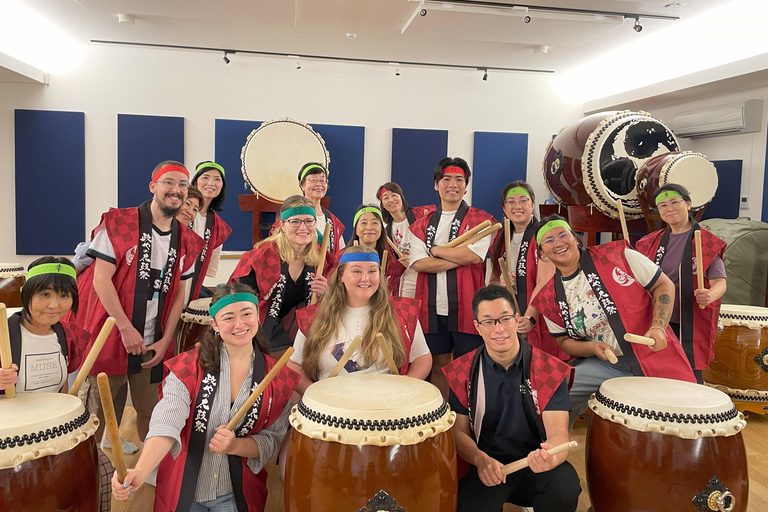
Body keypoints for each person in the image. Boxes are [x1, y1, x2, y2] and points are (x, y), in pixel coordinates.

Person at [111, 283, 300, 512]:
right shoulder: (188, 367)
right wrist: (140, 471)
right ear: (215, 324)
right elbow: (166, 421)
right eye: (228, 317)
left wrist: (235, 445)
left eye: (247, 314)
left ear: (258, 316)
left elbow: (271, 442)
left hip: (236, 491)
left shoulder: (276, 377)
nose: (239, 324)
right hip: (184, 489)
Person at [67, 160, 205, 454]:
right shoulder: (119, 222)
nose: (176, 190)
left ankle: (152, 471)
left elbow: (181, 294)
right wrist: (126, 328)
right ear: (153, 186)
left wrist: (167, 339)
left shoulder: (190, 241)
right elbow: (101, 280)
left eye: (182, 185)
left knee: (152, 410)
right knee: (95, 415)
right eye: (169, 182)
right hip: (112, 333)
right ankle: (92, 475)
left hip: (155, 340)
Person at [530, 215, 696, 425]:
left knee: (682, 417)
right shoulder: (548, 296)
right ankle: (556, 446)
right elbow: (563, 342)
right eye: (549, 240)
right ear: (542, 253)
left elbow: (664, 285)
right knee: (557, 392)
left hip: (651, 354)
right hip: (605, 364)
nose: (559, 243)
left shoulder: (617, 256)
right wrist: (592, 348)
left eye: (563, 235)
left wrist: (659, 327)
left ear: (575, 238)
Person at [443, 285, 580, 512]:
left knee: (564, 487)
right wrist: (479, 460)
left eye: (505, 318)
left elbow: (558, 433)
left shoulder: (548, 369)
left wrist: (550, 457)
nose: (499, 329)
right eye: (488, 321)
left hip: (534, 464)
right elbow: (458, 432)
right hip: (488, 467)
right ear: (477, 327)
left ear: (517, 320)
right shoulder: (462, 371)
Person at [0, 257, 115, 512]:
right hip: (10, 447)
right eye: (45, 294)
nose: (55, 305)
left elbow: (62, 388)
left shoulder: (66, 334)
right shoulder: (3, 333)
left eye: (64, 295)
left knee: (104, 470)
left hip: (52, 435)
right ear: (26, 293)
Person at [288, 246, 432, 394]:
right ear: (341, 276)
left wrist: (404, 391)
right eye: (356, 271)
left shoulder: (402, 312)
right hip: (333, 409)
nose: (365, 278)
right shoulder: (314, 316)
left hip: (386, 407)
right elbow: (294, 364)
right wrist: (316, 396)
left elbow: (422, 357)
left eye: (372, 271)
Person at [409, 157, 497, 396]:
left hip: (468, 307)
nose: (452, 184)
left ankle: (468, 419)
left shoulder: (480, 221)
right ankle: (443, 417)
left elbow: (474, 257)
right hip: (432, 308)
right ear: (436, 185)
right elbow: (419, 264)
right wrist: (458, 255)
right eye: (446, 179)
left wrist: (435, 250)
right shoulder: (420, 225)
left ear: (466, 186)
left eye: (459, 179)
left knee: (469, 366)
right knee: (439, 364)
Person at [635, 184, 727, 384]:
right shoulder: (650, 242)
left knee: (689, 377)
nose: (669, 209)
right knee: (657, 373)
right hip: (658, 319)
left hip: (689, 320)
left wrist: (710, 295)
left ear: (688, 204)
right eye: (663, 205)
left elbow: (719, 281)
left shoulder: (705, 242)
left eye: (674, 202)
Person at [229, 195, 332, 357]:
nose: (303, 227)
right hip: (261, 327)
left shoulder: (321, 258)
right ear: (283, 225)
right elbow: (239, 302)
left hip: (301, 328)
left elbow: (336, 299)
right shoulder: (262, 256)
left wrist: (327, 293)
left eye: (308, 221)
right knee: (293, 369)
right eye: (295, 221)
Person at [488, 181, 562, 360]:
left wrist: (529, 318)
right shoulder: (501, 238)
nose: (517, 206)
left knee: (541, 367)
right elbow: (492, 282)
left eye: (523, 200)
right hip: (511, 315)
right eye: (511, 202)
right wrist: (502, 283)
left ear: (533, 205)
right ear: (504, 208)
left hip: (540, 316)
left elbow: (545, 282)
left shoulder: (543, 235)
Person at [377, 182, 434, 298]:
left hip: (427, 273)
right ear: (382, 204)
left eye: (394, 195)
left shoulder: (422, 215)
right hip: (406, 279)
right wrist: (398, 264)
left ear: (401, 196)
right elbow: (389, 264)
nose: (391, 200)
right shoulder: (386, 232)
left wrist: (416, 259)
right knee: (407, 313)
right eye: (385, 198)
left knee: (428, 313)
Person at [187, 161, 232, 300]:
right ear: (195, 181)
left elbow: (207, 268)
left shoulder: (218, 226)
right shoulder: (180, 211)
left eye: (217, 179)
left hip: (192, 284)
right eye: (205, 177)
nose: (211, 183)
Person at [342, 204, 406, 296]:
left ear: (382, 229)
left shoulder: (389, 261)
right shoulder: (342, 257)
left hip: (379, 308)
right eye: (363, 223)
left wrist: (401, 267)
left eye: (375, 223)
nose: (369, 227)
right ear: (356, 229)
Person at [294, 162, 345, 253]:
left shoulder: (332, 220)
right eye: (313, 180)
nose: (319, 184)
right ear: (302, 185)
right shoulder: (292, 215)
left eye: (322, 180)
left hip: (326, 267)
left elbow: (340, 253)